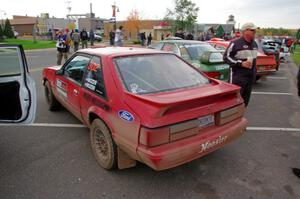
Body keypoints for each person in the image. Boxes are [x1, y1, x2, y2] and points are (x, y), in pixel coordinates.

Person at [223, 22, 258, 107]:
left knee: (244, 102)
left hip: (249, 78)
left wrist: (254, 74)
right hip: (237, 77)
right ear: (245, 31)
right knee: (234, 101)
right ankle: (231, 119)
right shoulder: (235, 43)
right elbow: (226, 57)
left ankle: (241, 117)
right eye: (252, 30)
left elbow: (254, 60)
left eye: (255, 30)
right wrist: (241, 63)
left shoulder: (254, 44)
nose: (255, 32)